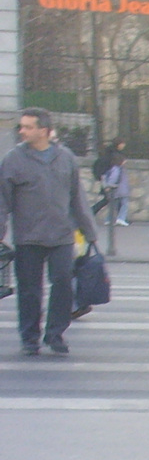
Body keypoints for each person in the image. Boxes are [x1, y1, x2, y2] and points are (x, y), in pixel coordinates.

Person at [0, 107, 97, 356]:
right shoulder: (13, 159)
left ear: (44, 130)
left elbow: (77, 198)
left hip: (62, 236)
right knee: (30, 290)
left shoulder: (65, 158)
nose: (22, 131)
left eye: (27, 127)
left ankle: (55, 333)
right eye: (21, 126)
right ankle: (30, 337)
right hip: (28, 237)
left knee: (63, 283)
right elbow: (3, 201)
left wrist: (89, 231)